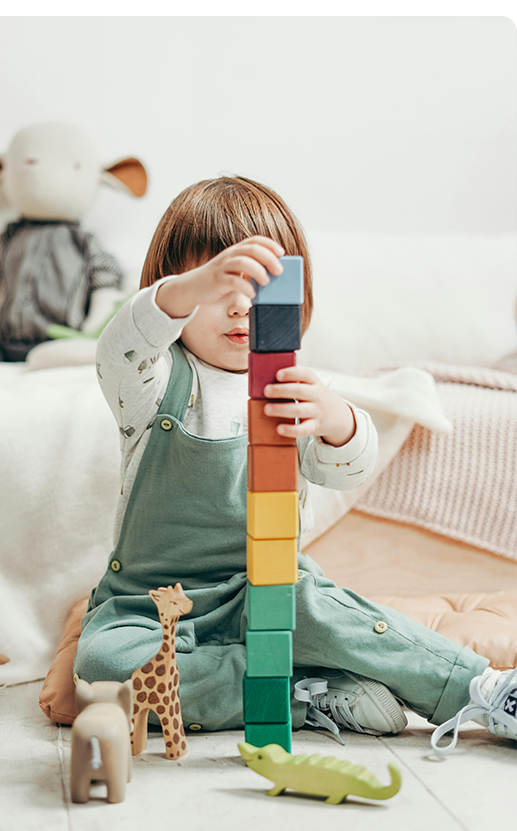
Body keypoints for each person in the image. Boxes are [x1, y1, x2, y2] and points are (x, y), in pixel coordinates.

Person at [74, 176, 517, 756]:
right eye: (218, 286)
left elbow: (346, 469)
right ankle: (309, 694)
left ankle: (482, 689)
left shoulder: (291, 388)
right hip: (150, 605)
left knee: (320, 608)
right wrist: (187, 290)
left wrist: (338, 420)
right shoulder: (153, 384)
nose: (238, 304)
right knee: (102, 666)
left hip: (265, 586)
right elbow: (119, 348)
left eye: (257, 287)